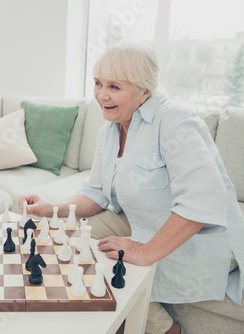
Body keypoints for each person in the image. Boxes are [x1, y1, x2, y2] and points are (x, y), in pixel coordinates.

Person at [19, 43, 244, 334]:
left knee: (114, 262)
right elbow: (97, 193)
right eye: (98, 83)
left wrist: (145, 250)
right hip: (143, 219)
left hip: (201, 235)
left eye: (114, 86)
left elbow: (201, 202)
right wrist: (54, 208)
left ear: (144, 91)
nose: (101, 95)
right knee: (65, 241)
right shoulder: (109, 130)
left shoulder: (174, 120)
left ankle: (165, 330)